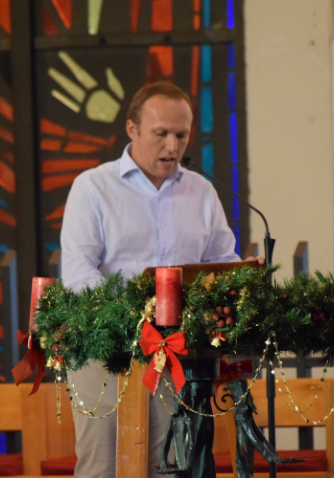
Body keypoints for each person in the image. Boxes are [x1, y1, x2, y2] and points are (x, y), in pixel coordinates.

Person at [61, 81, 261, 478]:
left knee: (170, 467)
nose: (173, 146)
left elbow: (220, 262)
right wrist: (133, 318)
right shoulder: (93, 187)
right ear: (132, 129)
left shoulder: (201, 192)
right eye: (161, 134)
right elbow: (79, 273)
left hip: (180, 354)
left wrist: (242, 274)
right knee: (104, 467)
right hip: (106, 354)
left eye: (181, 135)